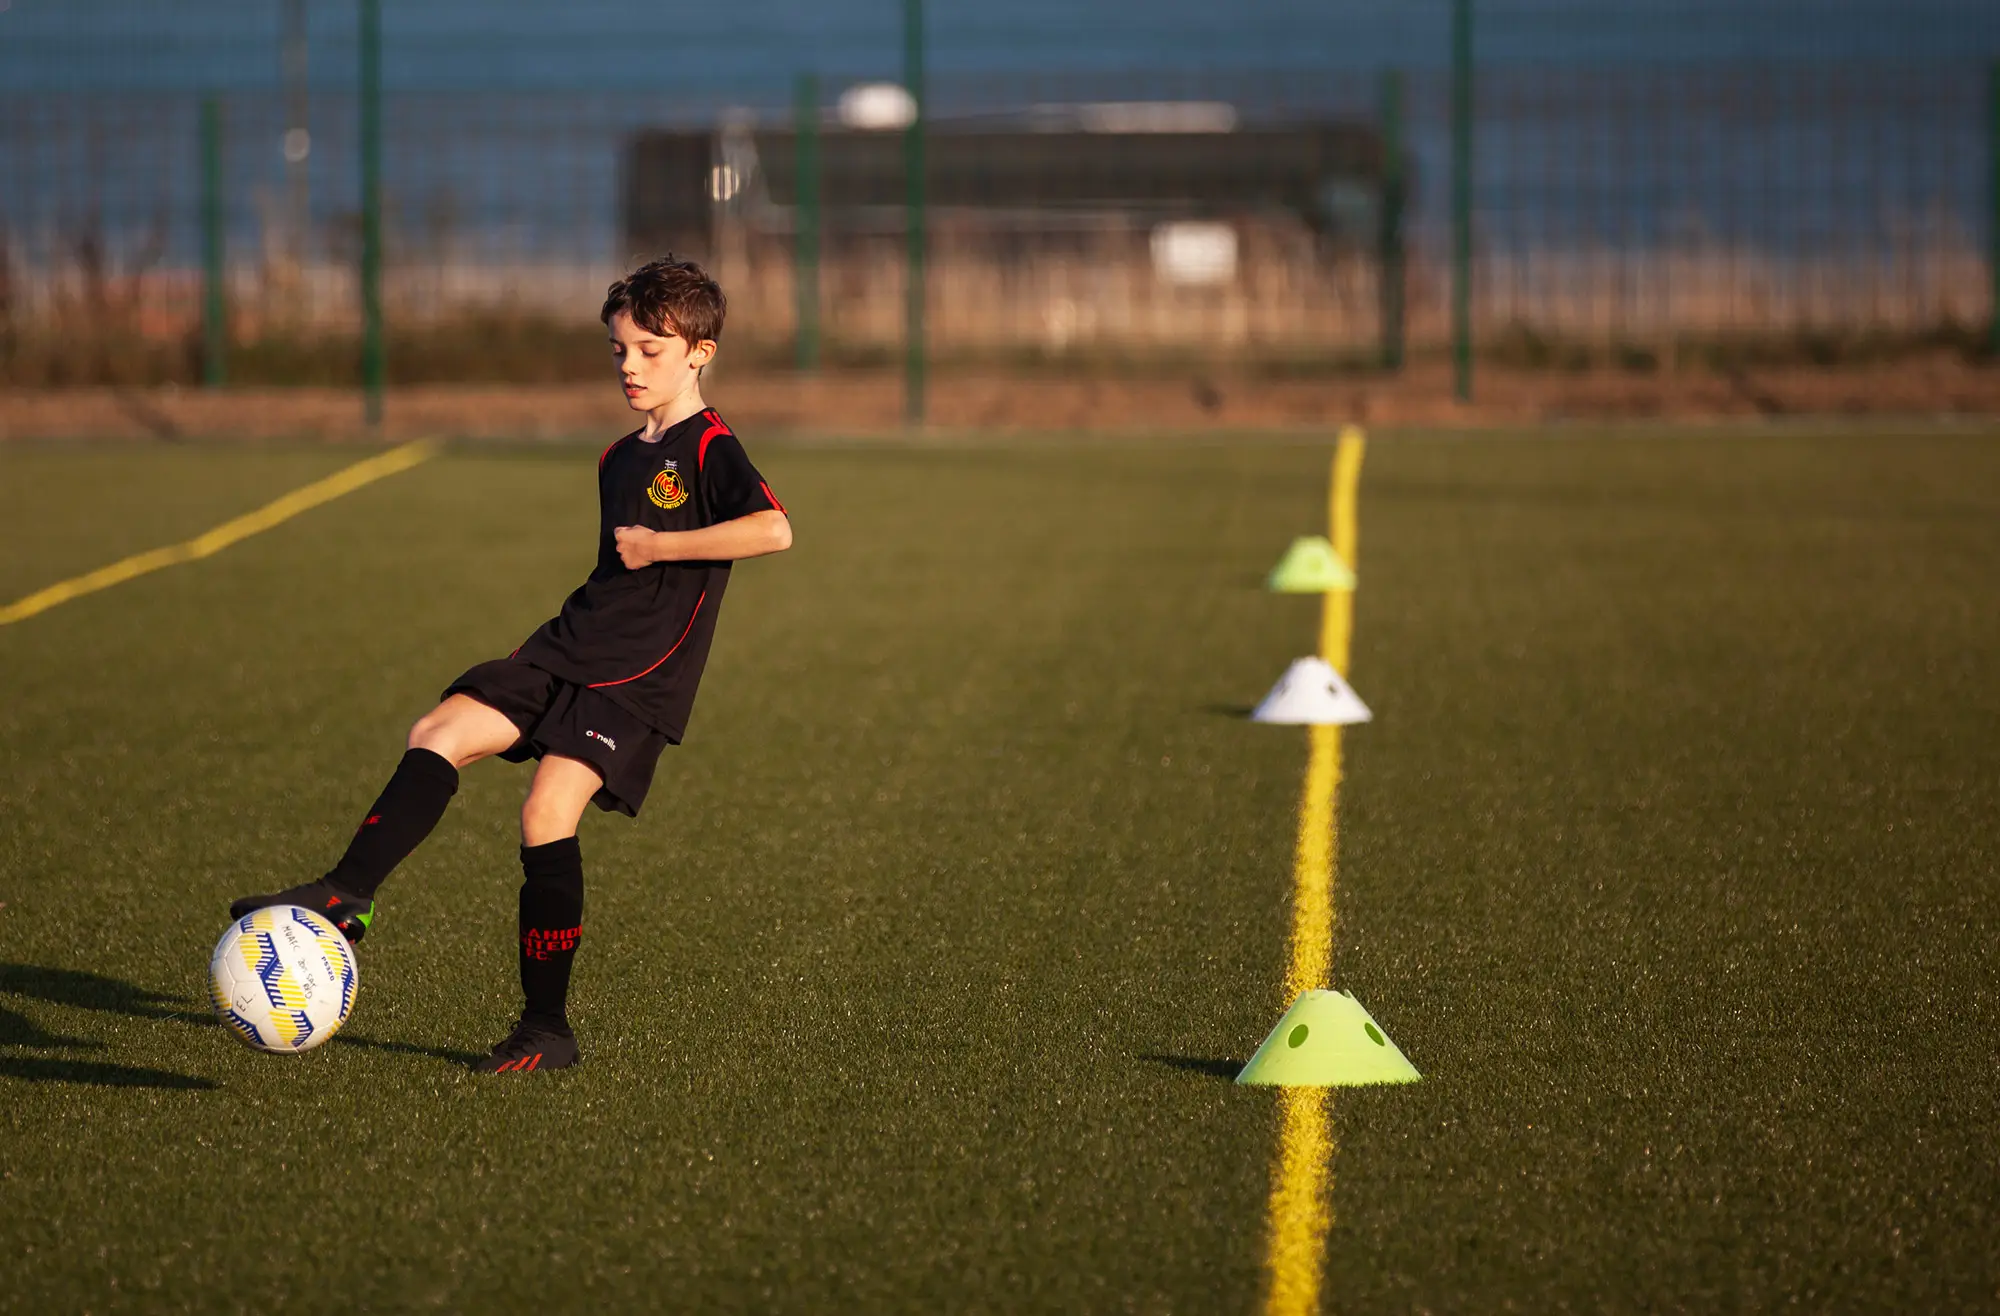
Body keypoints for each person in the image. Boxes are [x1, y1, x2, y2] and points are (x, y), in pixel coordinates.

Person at [228, 257, 790, 1074]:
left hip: (637, 679)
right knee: (439, 730)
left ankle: (546, 1028)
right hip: (569, 644)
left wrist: (662, 546)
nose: (629, 366)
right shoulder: (617, 457)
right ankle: (347, 893)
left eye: (650, 351)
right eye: (619, 350)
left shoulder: (711, 446)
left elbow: (773, 529)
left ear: (700, 352)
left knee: (545, 813)